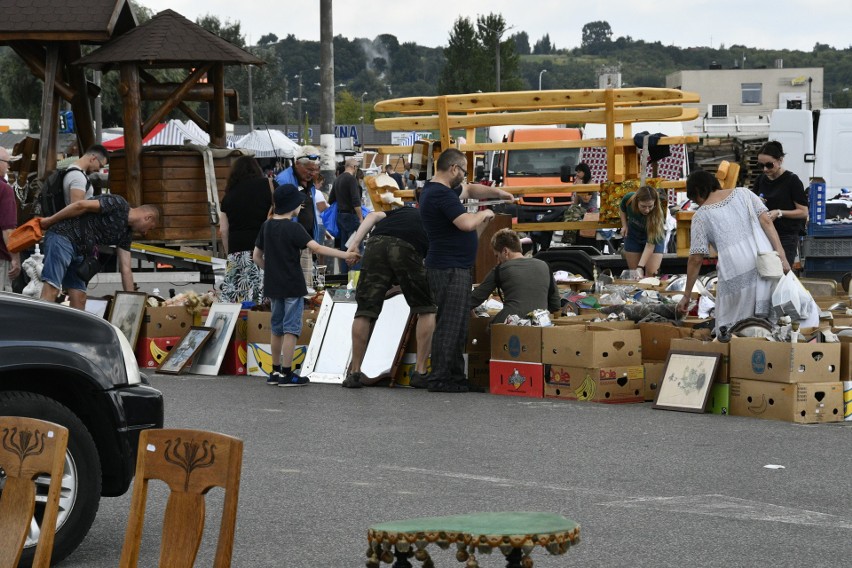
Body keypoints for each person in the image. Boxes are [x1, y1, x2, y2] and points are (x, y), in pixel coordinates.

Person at [419, 148, 513, 393]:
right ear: (453, 169)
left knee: (459, 323)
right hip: (449, 267)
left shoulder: (437, 190)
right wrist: (486, 213)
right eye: (462, 171)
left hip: (452, 265)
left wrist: (499, 193)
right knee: (450, 324)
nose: (463, 176)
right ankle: (440, 377)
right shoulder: (442, 195)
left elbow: (470, 189)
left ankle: (455, 376)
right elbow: (465, 223)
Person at [253, 184, 359, 387]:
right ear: (292, 206)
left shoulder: (266, 226)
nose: (301, 207)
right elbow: (317, 248)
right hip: (292, 284)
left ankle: (274, 372)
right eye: (299, 205)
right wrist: (346, 255)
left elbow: (257, 256)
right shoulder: (294, 228)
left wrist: (271, 269)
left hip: (273, 285)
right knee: (291, 329)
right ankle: (287, 373)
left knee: (276, 329)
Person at [677, 170, 790, 334]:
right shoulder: (744, 193)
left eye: (695, 200)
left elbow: (696, 258)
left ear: (698, 191)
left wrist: (687, 295)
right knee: (770, 326)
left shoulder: (701, 216)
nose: (698, 204)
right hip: (766, 264)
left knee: (735, 328)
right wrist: (782, 256)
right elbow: (766, 221)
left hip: (735, 270)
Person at [340, 204, 437, 388]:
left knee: (364, 310)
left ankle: (354, 373)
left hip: (376, 244)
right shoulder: (436, 216)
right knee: (426, 308)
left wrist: (354, 244)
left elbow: (372, 217)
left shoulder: (403, 210)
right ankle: (420, 372)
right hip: (407, 247)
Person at [38, 194, 159, 309]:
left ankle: (75, 330)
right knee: (52, 288)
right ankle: (38, 327)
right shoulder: (118, 204)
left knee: (79, 299)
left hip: (81, 250)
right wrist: (49, 221)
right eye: (150, 228)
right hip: (63, 235)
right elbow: (80, 205)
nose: (145, 233)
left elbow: (126, 269)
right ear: (147, 217)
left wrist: (132, 302)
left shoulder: (126, 235)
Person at [470, 228, 560, 325]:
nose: (497, 261)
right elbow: (556, 304)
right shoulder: (544, 266)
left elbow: (474, 299)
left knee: (486, 330)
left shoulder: (500, 269)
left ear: (505, 251)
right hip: (540, 324)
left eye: (497, 256)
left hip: (511, 324)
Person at [219, 155, 272, 304]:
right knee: (263, 296)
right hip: (263, 249)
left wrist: (231, 254)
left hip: (237, 251)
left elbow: (223, 230)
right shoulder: (269, 185)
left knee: (237, 296)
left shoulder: (229, 196)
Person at [275, 146, 324, 292]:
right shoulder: (284, 180)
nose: (313, 173)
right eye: (309, 170)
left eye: (315, 170)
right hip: (291, 241)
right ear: (297, 164)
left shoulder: (310, 183)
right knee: (293, 287)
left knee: (306, 287)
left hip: (306, 240)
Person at [751, 140, 808, 267]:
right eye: (760, 166)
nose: (765, 169)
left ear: (780, 160)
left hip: (786, 237)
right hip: (764, 234)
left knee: (782, 272)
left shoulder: (792, 181)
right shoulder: (760, 180)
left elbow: (803, 212)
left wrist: (779, 212)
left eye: (769, 165)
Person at [619, 185, 666, 277]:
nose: (647, 210)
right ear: (637, 201)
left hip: (653, 239)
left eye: (650, 206)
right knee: (635, 275)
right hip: (633, 235)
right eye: (643, 206)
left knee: (651, 275)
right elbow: (622, 208)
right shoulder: (629, 198)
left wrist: (640, 267)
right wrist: (624, 225)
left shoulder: (657, 215)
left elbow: (650, 245)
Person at [329, 157, 362, 275]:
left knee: (344, 249)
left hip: (341, 217)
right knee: (356, 249)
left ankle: (344, 278)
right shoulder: (351, 180)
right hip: (352, 217)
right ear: (354, 167)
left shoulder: (337, 180)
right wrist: (361, 219)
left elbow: (331, 199)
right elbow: (356, 202)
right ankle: (355, 280)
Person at [0, 146, 21, 291]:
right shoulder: (4, 189)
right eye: (7, 162)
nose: (9, 166)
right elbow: (8, 229)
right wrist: (15, 258)